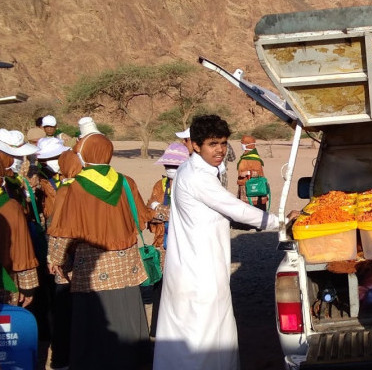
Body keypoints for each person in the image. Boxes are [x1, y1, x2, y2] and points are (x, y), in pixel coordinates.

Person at [154, 115, 283, 370]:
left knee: (201, 337)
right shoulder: (197, 176)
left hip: (197, 267)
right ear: (195, 145)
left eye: (224, 143)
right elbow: (236, 209)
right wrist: (280, 223)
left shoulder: (192, 171)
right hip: (199, 273)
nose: (220, 150)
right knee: (202, 341)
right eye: (213, 144)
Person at [47, 132, 152, 369]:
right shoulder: (126, 181)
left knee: (93, 320)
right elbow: (141, 218)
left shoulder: (74, 188)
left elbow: (65, 231)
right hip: (126, 265)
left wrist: (55, 259)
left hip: (90, 267)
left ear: (85, 155)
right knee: (126, 314)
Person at [43, 149, 83, 370]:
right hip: (84, 257)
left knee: (64, 307)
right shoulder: (86, 188)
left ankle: (60, 358)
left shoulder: (65, 190)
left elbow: (57, 227)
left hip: (65, 258)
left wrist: (54, 257)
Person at [146, 142, 190, 337]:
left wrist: (160, 209)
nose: (169, 169)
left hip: (186, 249)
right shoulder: (160, 185)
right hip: (162, 246)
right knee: (161, 289)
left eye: (173, 166)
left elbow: (187, 214)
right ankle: (159, 331)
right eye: (167, 166)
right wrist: (162, 212)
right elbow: (148, 213)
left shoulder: (190, 185)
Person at [0, 129, 40, 308]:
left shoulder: (14, 183)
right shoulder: (9, 207)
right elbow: (19, 247)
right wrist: (28, 285)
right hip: (7, 282)